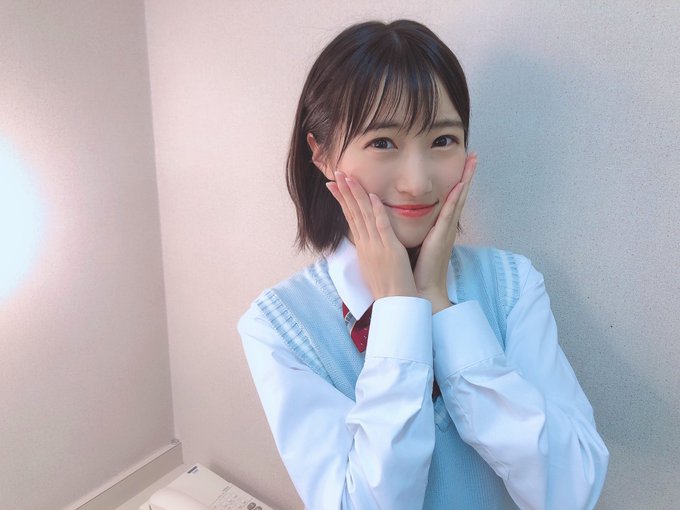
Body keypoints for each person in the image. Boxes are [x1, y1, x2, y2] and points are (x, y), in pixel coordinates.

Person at [237, 19, 609, 510]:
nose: (417, 183)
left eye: (442, 140)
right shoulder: (281, 327)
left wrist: (437, 304)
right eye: (383, 142)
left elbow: (573, 491)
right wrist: (397, 313)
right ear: (321, 154)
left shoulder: (512, 285)